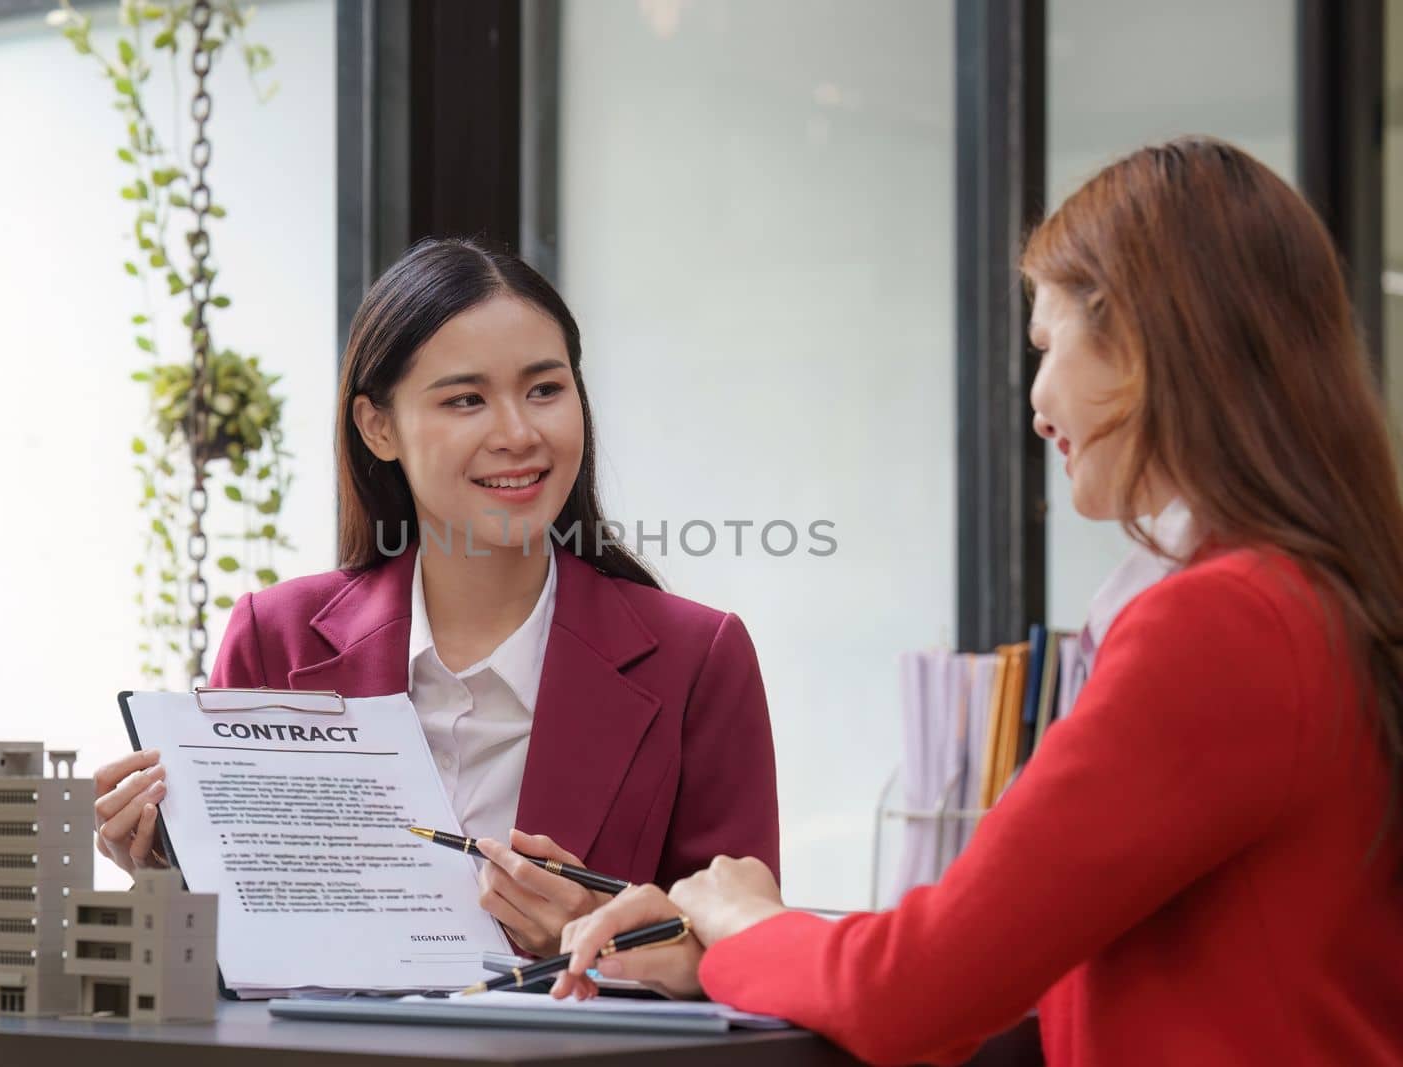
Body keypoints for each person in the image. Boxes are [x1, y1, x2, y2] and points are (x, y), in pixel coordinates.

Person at [551, 138, 1403, 1065]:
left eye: (1047, 346)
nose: (1038, 408)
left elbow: (913, 991)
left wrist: (740, 915)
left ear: (1146, 342)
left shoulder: (1224, 625)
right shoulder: (1322, 597)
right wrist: (731, 952)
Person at [91, 238, 780, 955]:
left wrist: (602, 944)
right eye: (466, 399)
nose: (518, 433)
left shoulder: (697, 659)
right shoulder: (276, 637)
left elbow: (748, 960)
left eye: (545, 389)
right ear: (378, 426)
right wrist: (166, 868)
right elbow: (237, 950)